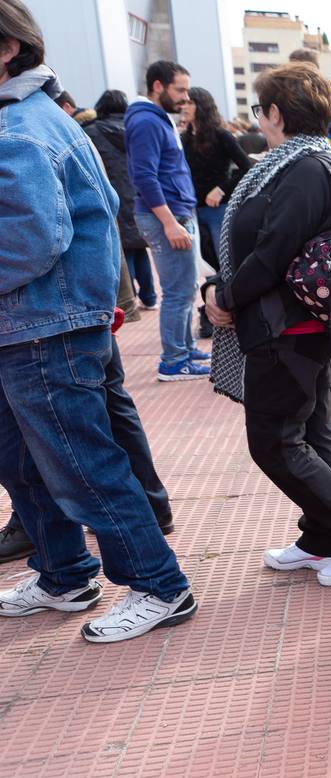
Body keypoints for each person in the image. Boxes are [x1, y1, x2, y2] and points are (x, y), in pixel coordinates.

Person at [0, 0, 196, 641]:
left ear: (8, 49)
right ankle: (63, 572)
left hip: (43, 326)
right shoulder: (33, 118)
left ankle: (158, 585)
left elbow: (35, 236)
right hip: (38, 322)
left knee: (81, 465)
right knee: (25, 461)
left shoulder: (21, 128)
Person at [202, 61, 331, 587]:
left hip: (289, 327)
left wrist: (224, 295)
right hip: (293, 325)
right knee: (309, 431)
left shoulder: (303, 168)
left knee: (274, 440)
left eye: (261, 110)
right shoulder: (302, 164)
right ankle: (322, 535)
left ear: (277, 113)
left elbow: (271, 253)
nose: (260, 120)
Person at [126, 59, 209, 381]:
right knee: (177, 291)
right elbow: (144, 176)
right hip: (168, 215)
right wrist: (169, 222)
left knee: (186, 288)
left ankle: (184, 350)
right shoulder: (147, 122)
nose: (185, 97)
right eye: (180, 89)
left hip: (176, 211)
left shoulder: (157, 120)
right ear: (158, 86)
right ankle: (174, 360)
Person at [85, 89, 156, 311]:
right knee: (140, 246)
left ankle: (129, 300)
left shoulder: (91, 132)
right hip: (139, 195)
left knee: (123, 250)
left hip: (111, 196)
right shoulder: (135, 129)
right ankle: (151, 296)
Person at [180, 86, 252, 270]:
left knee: (226, 262)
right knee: (204, 263)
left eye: (190, 102)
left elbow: (247, 168)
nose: (184, 106)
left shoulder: (222, 136)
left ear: (202, 106)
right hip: (192, 210)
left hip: (218, 210)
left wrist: (221, 189)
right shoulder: (183, 138)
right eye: (183, 102)